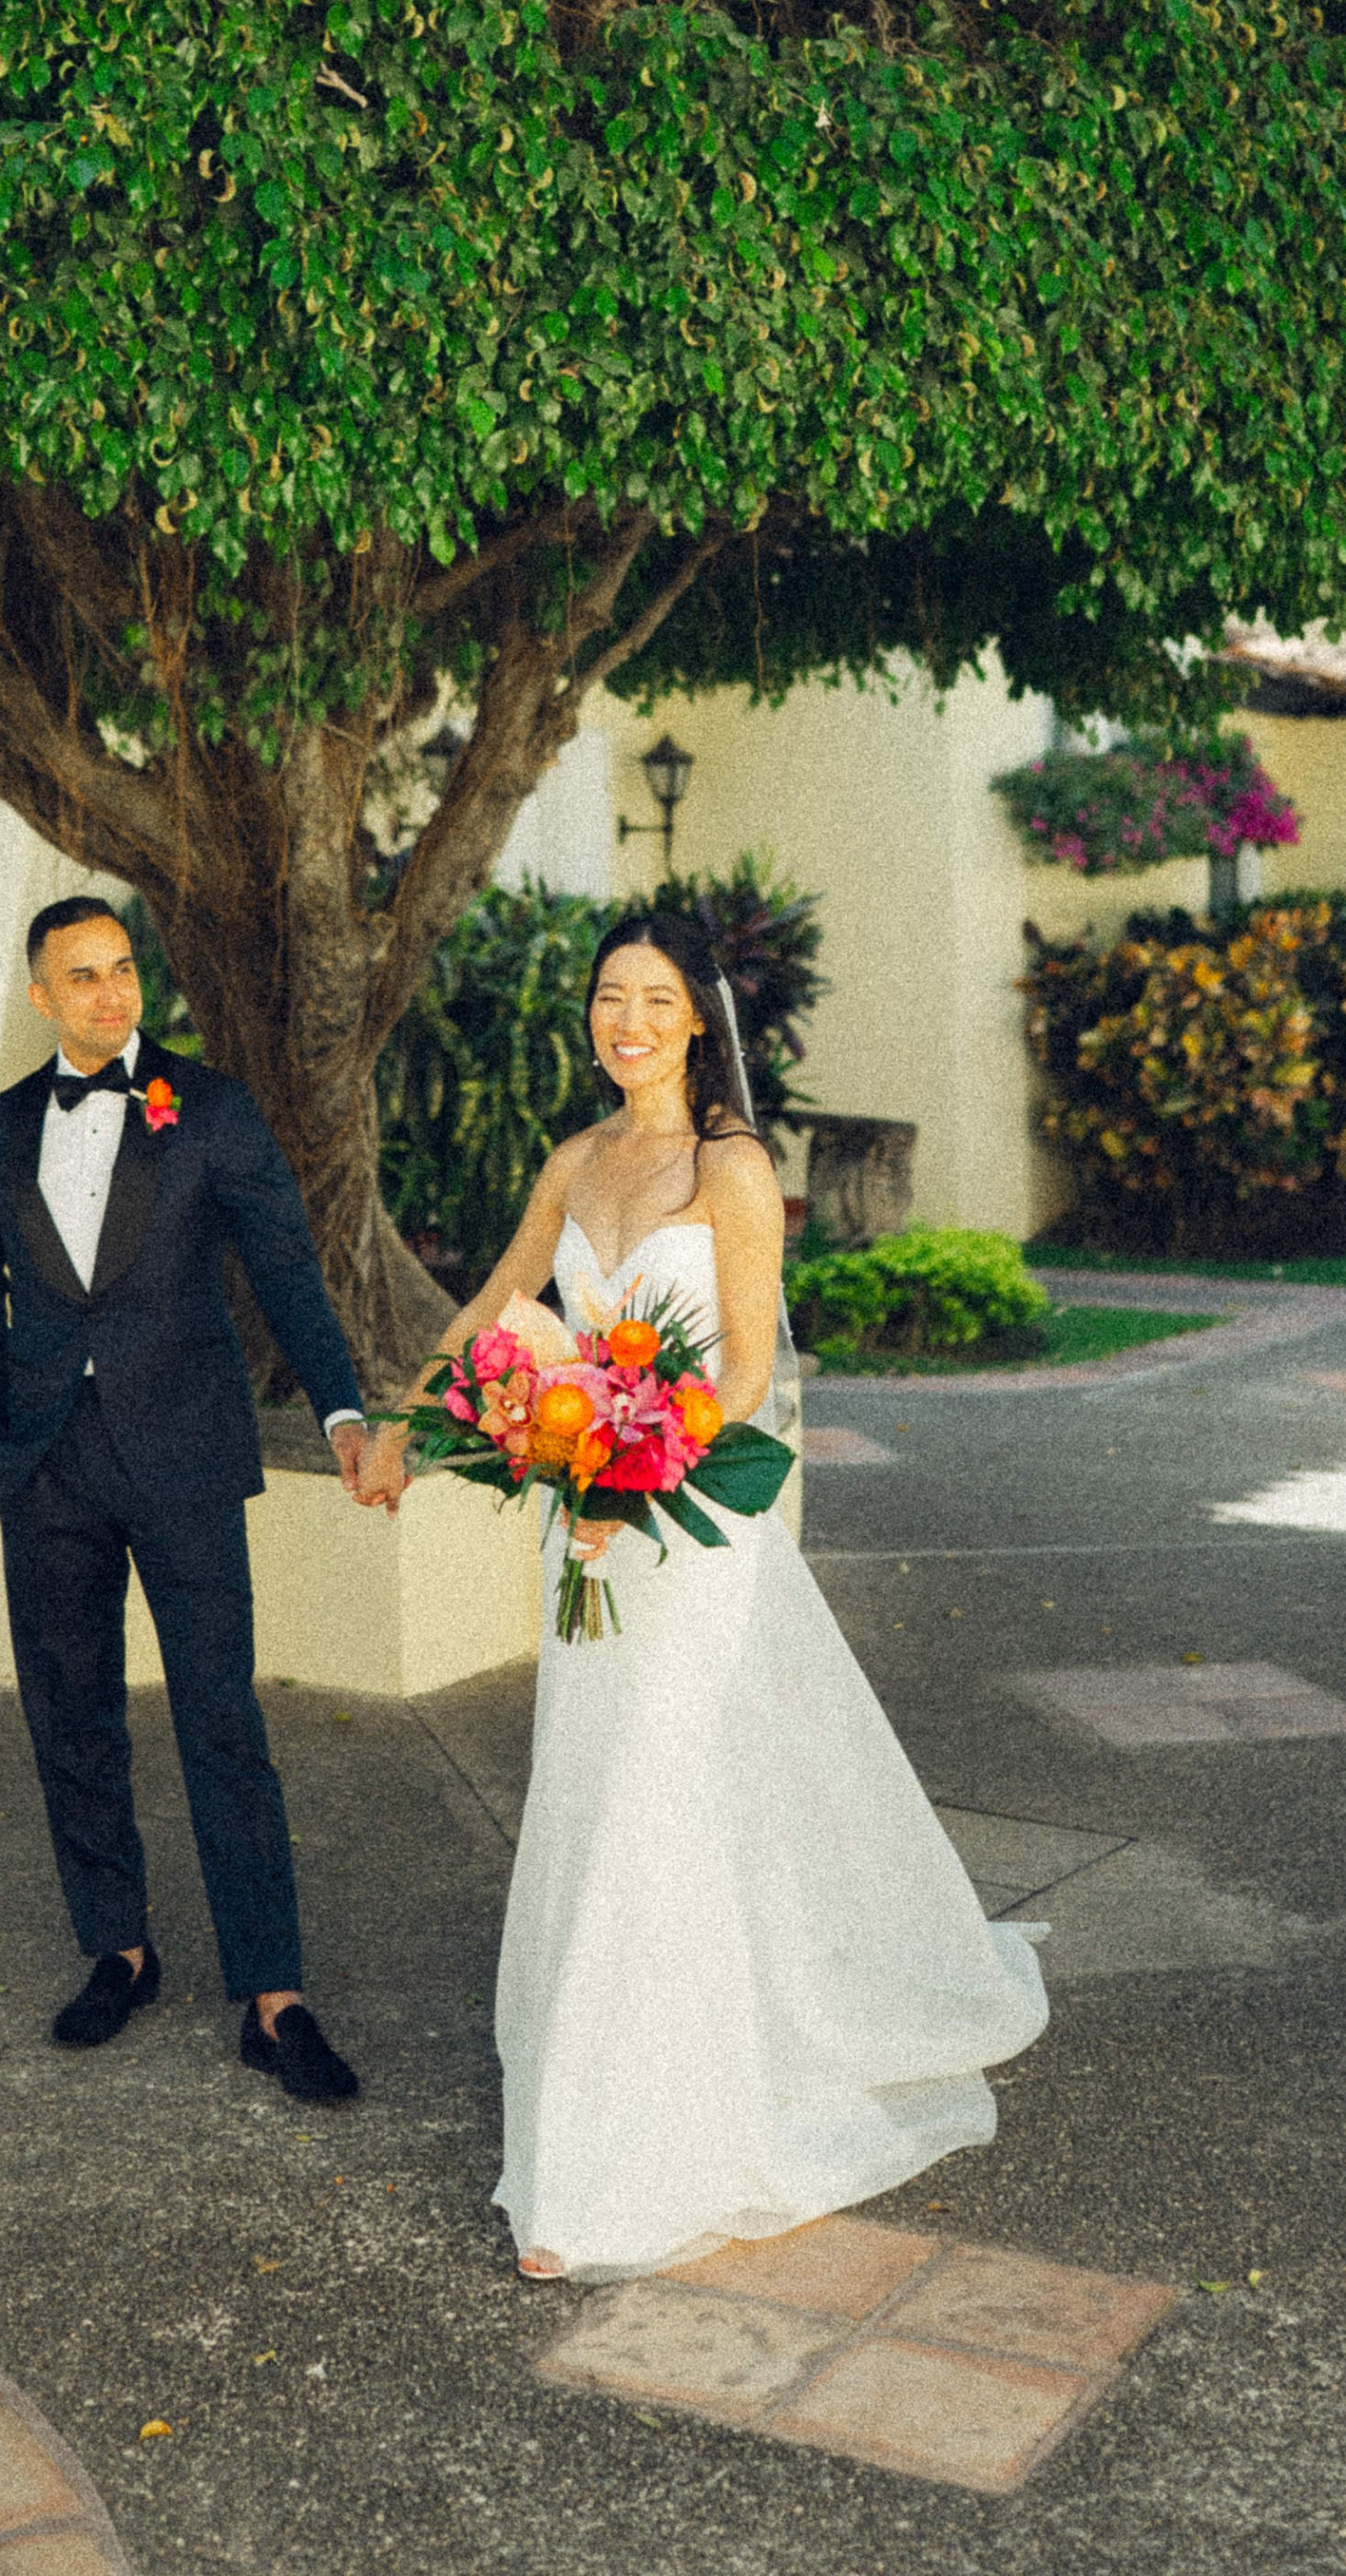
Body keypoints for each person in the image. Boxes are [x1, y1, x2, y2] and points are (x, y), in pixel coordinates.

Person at [386, 909, 1048, 2278]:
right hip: (587, 1534)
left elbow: (745, 1374)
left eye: (655, 999)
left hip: (686, 1536)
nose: (626, 1022)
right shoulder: (575, 1160)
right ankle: (592, 2122)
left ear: (699, 1022)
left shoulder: (732, 1169)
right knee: (592, 1797)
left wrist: (640, 1452)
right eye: (608, 998)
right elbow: (498, 1305)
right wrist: (413, 1418)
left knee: (654, 1809)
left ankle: (614, 2173)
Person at [0, 895, 393, 2104]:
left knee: (221, 1723)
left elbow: (288, 1271)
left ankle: (273, 1993)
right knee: (70, 1712)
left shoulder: (212, 1112)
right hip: (48, 1464)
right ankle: (120, 1949)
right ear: (41, 996)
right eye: (80, 978)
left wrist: (343, 1411)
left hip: (185, 1457)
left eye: (122, 969)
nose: (109, 993)